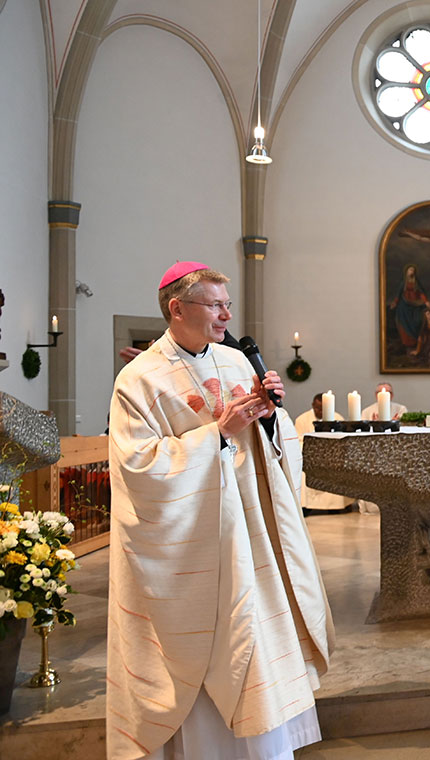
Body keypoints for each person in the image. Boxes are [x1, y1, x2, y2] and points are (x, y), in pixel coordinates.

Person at [107, 261, 334, 759]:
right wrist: (218, 434)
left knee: (255, 647)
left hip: (249, 535)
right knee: (211, 654)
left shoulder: (237, 364)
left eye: (226, 304)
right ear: (177, 308)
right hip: (193, 550)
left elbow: (276, 449)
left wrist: (270, 421)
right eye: (215, 304)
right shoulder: (138, 380)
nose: (226, 314)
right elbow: (139, 468)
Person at [293, 392, 357, 513]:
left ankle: (338, 505)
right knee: (301, 472)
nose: (321, 412)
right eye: (318, 408)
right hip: (309, 457)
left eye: (324, 409)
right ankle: (305, 506)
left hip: (332, 457)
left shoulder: (337, 418)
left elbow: (343, 440)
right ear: (313, 405)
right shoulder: (302, 419)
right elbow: (298, 440)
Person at [389, 264, 430, 357]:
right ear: (406, 272)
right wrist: (395, 303)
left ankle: (418, 344)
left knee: (418, 321)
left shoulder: (416, 283)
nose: (411, 272)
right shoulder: (403, 283)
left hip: (416, 305)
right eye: (410, 270)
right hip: (404, 306)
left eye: (413, 270)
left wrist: (426, 301)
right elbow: (398, 294)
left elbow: (421, 293)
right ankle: (408, 345)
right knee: (404, 323)